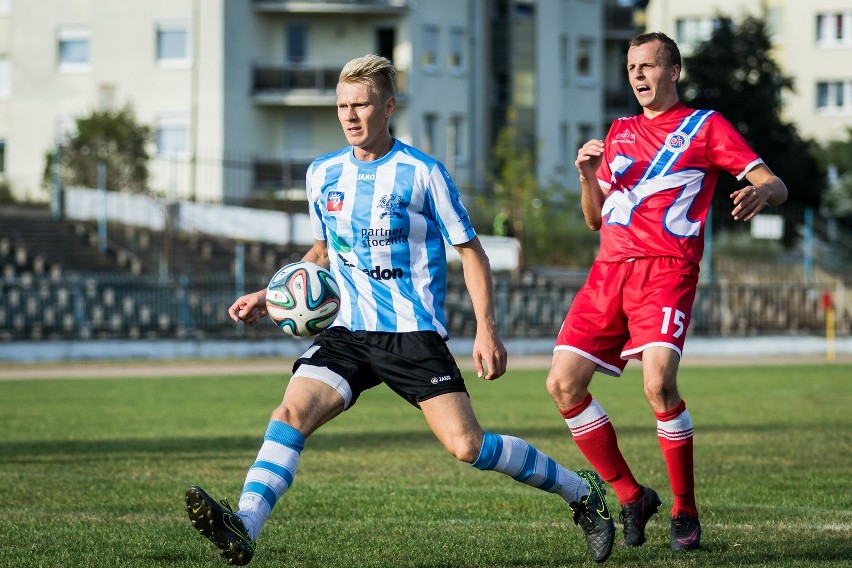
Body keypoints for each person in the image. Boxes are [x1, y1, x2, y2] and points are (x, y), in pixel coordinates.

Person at [184, 54, 616, 565]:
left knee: (467, 446)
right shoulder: (321, 174)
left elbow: (471, 251)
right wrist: (270, 293)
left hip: (411, 332)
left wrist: (486, 329)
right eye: (342, 105)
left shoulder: (423, 173)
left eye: (361, 104)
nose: (349, 115)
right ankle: (245, 525)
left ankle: (580, 493)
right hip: (346, 330)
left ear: (387, 107)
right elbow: (322, 252)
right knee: (289, 414)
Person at [546, 32, 788, 552]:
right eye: (631, 66)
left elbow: (776, 182)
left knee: (658, 385)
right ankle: (632, 495)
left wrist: (762, 191)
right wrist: (588, 176)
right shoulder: (619, 131)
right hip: (608, 270)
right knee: (563, 385)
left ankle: (685, 509)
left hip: (667, 270)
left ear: (673, 71)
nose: (636, 75)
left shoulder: (706, 126)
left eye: (647, 65)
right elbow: (595, 219)